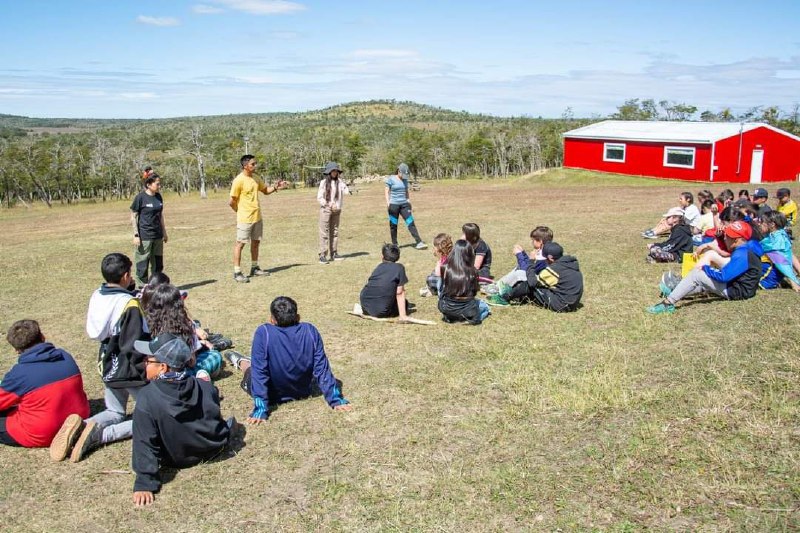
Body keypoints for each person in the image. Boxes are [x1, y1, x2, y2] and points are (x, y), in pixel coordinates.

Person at [53, 253, 150, 463]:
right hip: (130, 368)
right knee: (154, 417)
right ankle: (99, 435)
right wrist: (145, 369)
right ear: (125, 276)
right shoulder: (129, 304)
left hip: (108, 362)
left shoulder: (98, 294)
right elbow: (132, 344)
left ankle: (81, 426)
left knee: (115, 411)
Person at [131, 334, 231, 507]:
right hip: (213, 449)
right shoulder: (204, 386)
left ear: (163, 367)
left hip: (176, 459)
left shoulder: (147, 398)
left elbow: (144, 442)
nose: (144, 363)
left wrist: (144, 482)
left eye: (147, 360)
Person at [225, 296, 351, 423]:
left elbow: (259, 373)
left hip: (272, 396)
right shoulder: (310, 330)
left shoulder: (264, 332)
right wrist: (335, 399)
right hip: (302, 392)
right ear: (298, 317)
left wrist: (261, 409)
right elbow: (322, 367)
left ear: (272, 320)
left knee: (250, 369)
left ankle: (241, 361)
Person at [0, 320, 89, 451]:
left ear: (16, 349)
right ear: (42, 336)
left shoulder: (19, 374)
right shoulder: (65, 356)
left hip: (42, 433)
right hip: (80, 417)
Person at [647, 221, 761, 314]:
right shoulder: (747, 248)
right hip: (743, 287)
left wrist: (706, 268)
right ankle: (676, 291)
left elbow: (724, 277)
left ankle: (668, 303)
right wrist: (720, 238)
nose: (725, 237)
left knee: (697, 275)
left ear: (736, 240)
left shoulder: (742, 254)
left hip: (737, 291)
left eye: (728, 236)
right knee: (703, 277)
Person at [141, 283, 223, 380]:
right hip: (180, 369)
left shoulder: (146, 323)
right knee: (215, 355)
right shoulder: (184, 326)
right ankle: (194, 376)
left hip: (154, 368)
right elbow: (192, 361)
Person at [229, 154, 289, 283]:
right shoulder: (238, 180)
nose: (255, 166)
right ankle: (237, 272)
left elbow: (265, 190)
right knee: (240, 244)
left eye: (255, 163)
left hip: (257, 217)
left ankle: (254, 267)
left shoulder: (256, 178)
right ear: (245, 166)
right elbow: (232, 201)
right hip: (245, 218)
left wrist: (277, 187)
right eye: (253, 164)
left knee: (256, 243)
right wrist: (239, 212)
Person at [487, 242, 584, 312]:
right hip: (571, 303)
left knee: (529, 285)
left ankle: (504, 298)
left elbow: (532, 282)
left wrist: (531, 261)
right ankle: (518, 297)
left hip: (561, 305)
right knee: (537, 284)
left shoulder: (555, 269)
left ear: (550, 258)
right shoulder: (568, 264)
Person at [484, 226, 552, 296]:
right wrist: (523, 253)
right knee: (518, 267)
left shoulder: (543, 256)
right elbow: (529, 264)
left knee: (519, 273)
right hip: (536, 276)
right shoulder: (545, 251)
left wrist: (519, 255)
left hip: (537, 282)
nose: (532, 242)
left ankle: (497, 288)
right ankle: (497, 285)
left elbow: (526, 269)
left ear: (540, 241)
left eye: (533, 240)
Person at [437, 239, 491, 324]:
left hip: (446, 307)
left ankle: (453, 317)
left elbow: (442, 288)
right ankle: (468, 319)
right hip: (467, 309)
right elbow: (474, 292)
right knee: (485, 306)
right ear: (469, 254)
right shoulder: (473, 271)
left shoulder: (445, 268)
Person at [130, 173, 167, 287]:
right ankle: (142, 287)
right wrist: (136, 235)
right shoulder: (140, 198)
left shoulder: (158, 197)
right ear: (149, 184)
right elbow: (133, 216)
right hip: (145, 236)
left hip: (157, 236)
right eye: (157, 184)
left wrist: (164, 232)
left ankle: (156, 286)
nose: (159, 186)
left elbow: (160, 215)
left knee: (158, 263)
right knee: (142, 263)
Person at [359, 244, 410, 320]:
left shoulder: (379, 267)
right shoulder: (399, 268)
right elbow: (400, 292)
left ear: (382, 257)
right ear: (398, 257)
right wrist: (403, 315)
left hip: (365, 306)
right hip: (381, 311)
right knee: (405, 303)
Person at [385, 163, 427, 250]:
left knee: (410, 222)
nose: (404, 176)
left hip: (404, 205)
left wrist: (408, 201)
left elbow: (406, 191)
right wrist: (388, 203)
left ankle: (419, 242)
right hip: (394, 205)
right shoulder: (391, 179)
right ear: (399, 171)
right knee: (393, 225)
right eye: (403, 173)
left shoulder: (405, 180)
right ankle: (395, 244)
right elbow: (387, 191)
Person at [317, 162, 350, 264]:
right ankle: (322, 255)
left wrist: (345, 186)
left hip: (337, 210)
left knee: (335, 231)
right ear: (329, 172)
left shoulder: (339, 182)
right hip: (326, 209)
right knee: (324, 232)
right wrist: (329, 204)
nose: (335, 173)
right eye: (333, 171)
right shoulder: (323, 183)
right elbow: (319, 198)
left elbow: (346, 192)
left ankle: (334, 253)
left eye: (336, 171)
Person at [757, 211, 800, 292]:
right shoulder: (780, 234)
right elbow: (789, 254)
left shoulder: (775, 241)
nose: (759, 224)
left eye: (762, 222)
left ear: (772, 224)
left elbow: (781, 263)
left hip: (765, 280)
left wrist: (793, 281)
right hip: (769, 274)